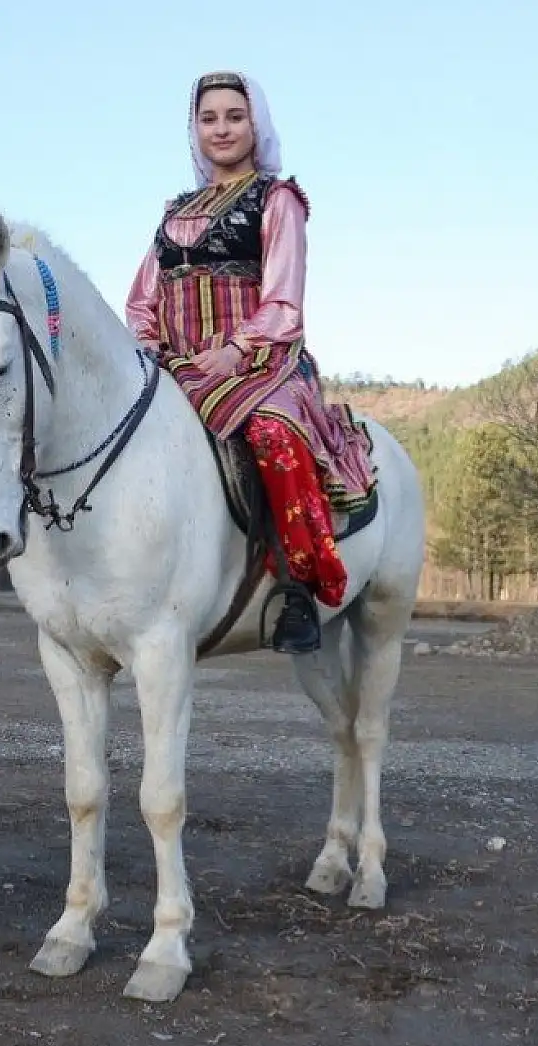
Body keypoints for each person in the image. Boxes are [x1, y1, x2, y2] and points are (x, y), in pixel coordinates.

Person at [125, 69, 377, 655]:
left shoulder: (277, 199)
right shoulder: (172, 212)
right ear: (194, 129)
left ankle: (295, 590)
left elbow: (285, 301)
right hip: (178, 364)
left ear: (255, 123)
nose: (222, 129)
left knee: (272, 434)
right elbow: (143, 299)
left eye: (234, 117)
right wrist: (146, 349)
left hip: (262, 363)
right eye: (208, 118)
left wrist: (236, 349)